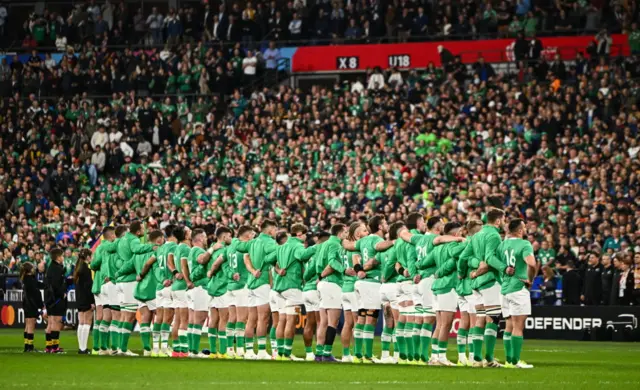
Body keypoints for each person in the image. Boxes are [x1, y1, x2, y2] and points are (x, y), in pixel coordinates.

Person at [398, 216, 462, 364]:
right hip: (429, 281)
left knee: (418, 318)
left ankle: (417, 355)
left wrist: (414, 274)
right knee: (429, 320)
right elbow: (439, 240)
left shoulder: (418, 239)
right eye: (442, 225)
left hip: (418, 282)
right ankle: (423, 355)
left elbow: (403, 235)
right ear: (438, 228)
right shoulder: (435, 239)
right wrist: (459, 239)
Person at [343, 216, 395, 363]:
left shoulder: (362, 241)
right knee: (371, 320)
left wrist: (360, 269)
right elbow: (379, 249)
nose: (387, 225)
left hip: (361, 283)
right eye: (385, 223)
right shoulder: (376, 240)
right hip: (372, 282)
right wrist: (394, 241)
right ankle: (368, 355)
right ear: (379, 226)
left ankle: (358, 354)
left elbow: (353, 253)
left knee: (361, 318)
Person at [463, 208, 508, 368]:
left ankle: (476, 359)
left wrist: (466, 273)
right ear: (497, 221)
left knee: (480, 318)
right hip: (490, 281)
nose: (504, 222)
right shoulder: (494, 235)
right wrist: (505, 268)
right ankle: (489, 359)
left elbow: (464, 258)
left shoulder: (476, 236)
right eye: (503, 219)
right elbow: (489, 258)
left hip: (476, 284)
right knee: (493, 318)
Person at [422, 222, 466, 366]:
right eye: (459, 232)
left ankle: (434, 356)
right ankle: (441, 356)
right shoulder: (454, 246)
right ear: (455, 234)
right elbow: (454, 260)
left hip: (436, 287)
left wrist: (416, 271)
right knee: (446, 324)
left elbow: (423, 263)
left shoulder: (437, 248)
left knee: (440, 324)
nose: (461, 234)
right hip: (448, 286)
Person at [271, 223, 316, 361]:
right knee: (291, 321)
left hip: (278, 288)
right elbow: (302, 256)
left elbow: (269, 259)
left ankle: (279, 354)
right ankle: (287, 353)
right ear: (299, 234)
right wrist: (316, 247)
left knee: (281, 321)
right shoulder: (297, 245)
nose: (305, 237)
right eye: (304, 234)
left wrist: (278, 269)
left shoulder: (281, 247)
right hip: (292, 287)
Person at [237, 220, 279, 360]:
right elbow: (277, 254)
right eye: (274, 229)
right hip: (262, 282)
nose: (276, 232)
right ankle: (261, 351)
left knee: (252, 318)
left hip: (251, 282)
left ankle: (249, 351)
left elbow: (239, 247)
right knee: (263, 318)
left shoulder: (253, 242)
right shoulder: (268, 242)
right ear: (269, 230)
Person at [314, 223, 348, 362]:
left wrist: (319, 277)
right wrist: (344, 270)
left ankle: (318, 353)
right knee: (332, 322)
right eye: (345, 232)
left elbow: (317, 263)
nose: (346, 235)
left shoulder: (323, 245)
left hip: (323, 284)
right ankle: (327, 354)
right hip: (332, 283)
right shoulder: (335, 245)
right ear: (340, 233)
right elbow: (332, 262)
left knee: (323, 322)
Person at [455, 220, 483, 366]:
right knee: (474, 323)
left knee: (464, 322)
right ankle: (473, 357)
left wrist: (460, 274)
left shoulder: (463, 244)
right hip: (471, 287)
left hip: (460, 287)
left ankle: (461, 357)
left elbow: (460, 260)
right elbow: (462, 260)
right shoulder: (475, 243)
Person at [134, 230, 165, 356]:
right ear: (158, 240)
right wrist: (164, 280)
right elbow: (155, 269)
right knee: (161, 316)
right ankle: (160, 347)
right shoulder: (156, 251)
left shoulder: (137, 254)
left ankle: (147, 349)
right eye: (163, 239)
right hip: (152, 289)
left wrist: (118, 275)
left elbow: (128, 267)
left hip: (139, 289)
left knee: (145, 319)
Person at [225, 226, 254, 359]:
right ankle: (241, 349)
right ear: (247, 235)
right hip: (242, 285)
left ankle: (230, 348)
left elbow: (224, 266)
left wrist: (231, 275)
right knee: (242, 319)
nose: (254, 236)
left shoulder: (230, 247)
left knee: (232, 318)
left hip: (230, 286)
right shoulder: (244, 248)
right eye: (252, 234)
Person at [205, 226, 233, 359]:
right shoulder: (223, 250)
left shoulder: (211, 248)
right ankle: (222, 352)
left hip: (211, 287)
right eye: (229, 236)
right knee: (224, 319)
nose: (231, 238)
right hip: (222, 287)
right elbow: (218, 265)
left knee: (213, 319)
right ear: (223, 237)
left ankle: (212, 351)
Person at [89, 226, 117, 355]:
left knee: (99, 316)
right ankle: (105, 346)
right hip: (106, 283)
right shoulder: (109, 247)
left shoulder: (99, 247)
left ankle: (96, 347)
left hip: (97, 285)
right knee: (109, 315)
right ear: (111, 235)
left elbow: (93, 265)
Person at [340, 223, 365, 363]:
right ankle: (358, 354)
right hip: (353, 288)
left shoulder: (344, 249)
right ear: (357, 233)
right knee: (357, 322)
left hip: (344, 288)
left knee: (347, 323)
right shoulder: (355, 247)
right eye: (364, 230)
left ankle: (345, 355)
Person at [302, 232, 329, 361]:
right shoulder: (321, 251)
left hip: (306, 290)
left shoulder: (310, 252)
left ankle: (308, 353)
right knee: (321, 322)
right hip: (315, 289)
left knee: (309, 323)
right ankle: (320, 352)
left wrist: (306, 279)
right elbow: (311, 269)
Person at [152, 224, 179, 357]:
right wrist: (172, 276)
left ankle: (155, 348)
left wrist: (161, 280)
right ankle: (163, 348)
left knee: (159, 319)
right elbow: (171, 263)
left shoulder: (160, 249)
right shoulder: (173, 247)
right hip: (169, 285)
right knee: (167, 319)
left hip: (160, 286)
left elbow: (156, 268)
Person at [170, 226, 192, 357]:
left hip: (175, 287)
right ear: (185, 234)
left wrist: (175, 273)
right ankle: (184, 351)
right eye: (188, 230)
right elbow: (184, 265)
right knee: (184, 320)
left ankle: (176, 349)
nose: (190, 231)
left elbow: (171, 261)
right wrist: (188, 280)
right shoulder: (185, 248)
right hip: (182, 286)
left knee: (177, 320)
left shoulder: (177, 247)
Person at [45, 247, 67, 353]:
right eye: (62, 255)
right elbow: (56, 285)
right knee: (56, 322)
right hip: (56, 299)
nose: (63, 257)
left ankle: (49, 346)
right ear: (58, 257)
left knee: (50, 322)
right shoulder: (57, 269)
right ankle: (55, 347)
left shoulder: (51, 267)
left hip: (50, 299)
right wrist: (62, 294)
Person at [21, 262, 46, 353]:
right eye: (32, 267)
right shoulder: (30, 280)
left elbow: (38, 285)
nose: (34, 268)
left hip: (26, 304)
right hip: (31, 304)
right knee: (31, 325)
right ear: (29, 269)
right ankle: (30, 347)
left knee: (27, 324)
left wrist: (46, 284)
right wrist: (41, 305)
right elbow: (36, 294)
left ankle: (26, 345)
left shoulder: (26, 279)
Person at [74, 249, 95, 354]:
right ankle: (83, 348)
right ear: (87, 257)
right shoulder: (86, 269)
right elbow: (88, 286)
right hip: (86, 298)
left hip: (79, 298)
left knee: (81, 323)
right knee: (87, 322)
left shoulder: (78, 268)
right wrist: (92, 301)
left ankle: (81, 347)